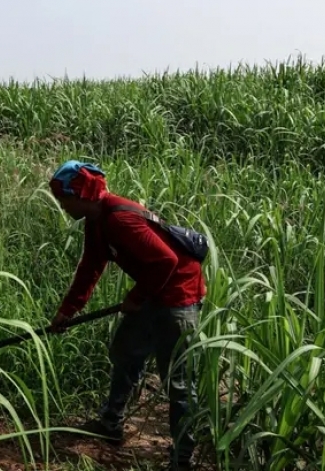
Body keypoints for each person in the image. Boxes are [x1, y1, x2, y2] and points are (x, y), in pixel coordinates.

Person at [47, 160, 206, 471]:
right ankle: (111, 422)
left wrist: (135, 298)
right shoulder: (97, 220)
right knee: (124, 351)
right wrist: (68, 310)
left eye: (63, 199)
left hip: (178, 296)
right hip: (153, 290)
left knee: (178, 381)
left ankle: (183, 459)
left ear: (81, 195)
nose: (62, 206)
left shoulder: (119, 219)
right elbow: (91, 265)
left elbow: (166, 261)